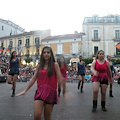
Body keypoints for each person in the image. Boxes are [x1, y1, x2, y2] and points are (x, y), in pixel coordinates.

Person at [16, 46, 61, 120]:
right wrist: (25, 90)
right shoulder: (40, 65)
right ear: (42, 54)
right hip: (40, 91)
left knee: (47, 117)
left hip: (50, 92)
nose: (46, 54)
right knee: (37, 115)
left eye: (48, 52)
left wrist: (65, 90)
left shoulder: (55, 65)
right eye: (44, 52)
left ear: (51, 54)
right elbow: (33, 78)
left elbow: (59, 78)